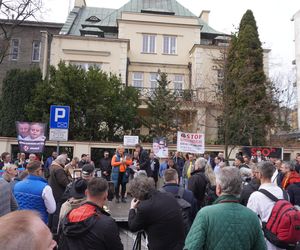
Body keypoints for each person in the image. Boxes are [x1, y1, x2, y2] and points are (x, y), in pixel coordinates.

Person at [185, 167, 266, 250]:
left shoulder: (205, 214)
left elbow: (191, 247)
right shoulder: (252, 217)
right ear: (240, 189)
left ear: (218, 188)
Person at [58, 177, 123, 250]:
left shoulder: (68, 216)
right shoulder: (107, 223)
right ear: (106, 195)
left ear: (86, 192)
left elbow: (61, 244)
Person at [128, 176, 185, 250]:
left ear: (137, 194)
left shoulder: (145, 207)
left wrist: (132, 208)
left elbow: (133, 227)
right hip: (178, 245)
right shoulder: (169, 196)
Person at [247, 161, 286, 250]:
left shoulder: (256, 196)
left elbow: (250, 222)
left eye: (255, 173)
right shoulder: (284, 193)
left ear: (260, 174)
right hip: (284, 242)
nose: (254, 175)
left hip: (265, 243)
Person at [48, 154, 70, 232]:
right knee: (57, 212)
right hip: (59, 193)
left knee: (51, 212)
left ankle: (50, 227)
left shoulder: (52, 167)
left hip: (53, 191)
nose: (65, 163)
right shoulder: (59, 169)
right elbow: (64, 182)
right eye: (64, 162)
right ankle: (55, 230)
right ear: (61, 162)